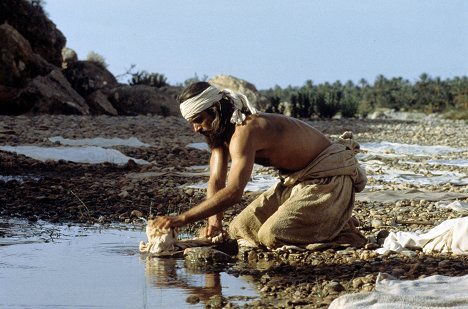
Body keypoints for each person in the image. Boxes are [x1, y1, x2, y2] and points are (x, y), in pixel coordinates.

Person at [153, 81, 367, 249]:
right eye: (191, 122)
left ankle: (339, 229)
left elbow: (234, 192)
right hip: (294, 183)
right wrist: (214, 224)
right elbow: (216, 181)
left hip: (328, 180)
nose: (196, 129)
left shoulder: (246, 130)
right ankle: (322, 219)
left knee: (271, 234)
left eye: (198, 119)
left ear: (215, 110)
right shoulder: (218, 133)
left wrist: (183, 218)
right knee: (239, 229)